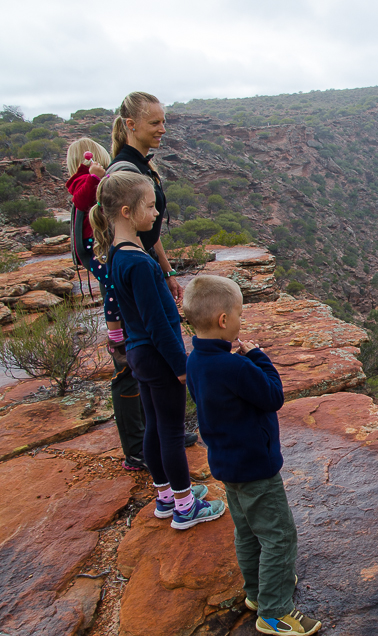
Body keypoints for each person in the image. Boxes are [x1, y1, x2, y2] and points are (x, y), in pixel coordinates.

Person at [183, 275, 320, 635]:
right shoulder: (235, 366)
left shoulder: (195, 361)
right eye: (239, 314)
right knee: (280, 535)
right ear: (224, 321)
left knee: (247, 532)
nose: (242, 321)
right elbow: (274, 396)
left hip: (227, 465)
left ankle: (259, 593)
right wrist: (257, 355)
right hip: (256, 467)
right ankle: (274, 612)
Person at [90, 171, 225, 530]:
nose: (154, 213)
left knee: (154, 427)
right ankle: (185, 505)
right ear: (126, 211)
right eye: (149, 207)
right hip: (156, 355)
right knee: (171, 431)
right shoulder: (136, 261)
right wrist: (180, 366)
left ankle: (165, 496)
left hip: (138, 354)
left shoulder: (118, 255)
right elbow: (157, 323)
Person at [107, 91, 198, 457]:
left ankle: (156, 442)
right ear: (131, 125)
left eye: (164, 121)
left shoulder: (141, 165)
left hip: (145, 267)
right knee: (139, 359)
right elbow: (123, 232)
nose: (163, 128)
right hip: (134, 274)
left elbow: (151, 231)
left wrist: (168, 270)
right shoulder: (125, 171)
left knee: (143, 360)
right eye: (155, 122)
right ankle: (143, 449)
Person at [65, 138, 150, 470]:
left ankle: (150, 436)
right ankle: (135, 449)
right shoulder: (86, 187)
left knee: (139, 364)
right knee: (127, 368)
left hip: (113, 272)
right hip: (113, 279)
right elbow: (86, 199)